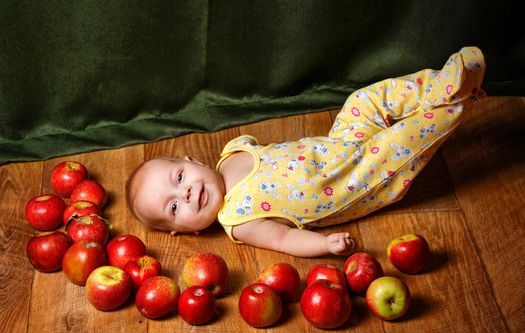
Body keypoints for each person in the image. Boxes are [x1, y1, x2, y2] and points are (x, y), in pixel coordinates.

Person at [126, 47, 485, 258]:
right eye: (174, 207)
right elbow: (283, 238)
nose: (185, 193)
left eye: (179, 178)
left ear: (192, 162)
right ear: (185, 233)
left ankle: (438, 86)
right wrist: (324, 244)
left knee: (363, 100)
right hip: (355, 182)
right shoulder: (238, 220)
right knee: (404, 144)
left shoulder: (232, 152)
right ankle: (458, 101)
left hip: (339, 143)